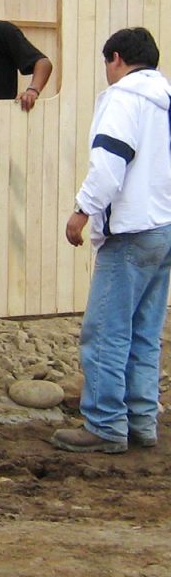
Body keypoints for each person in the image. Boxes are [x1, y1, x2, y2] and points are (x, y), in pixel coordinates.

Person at [53, 28, 171, 454]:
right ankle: (141, 421)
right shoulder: (165, 99)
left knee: (105, 331)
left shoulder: (124, 98)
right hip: (164, 226)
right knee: (145, 331)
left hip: (131, 230)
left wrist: (82, 210)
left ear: (115, 58)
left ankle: (104, 424)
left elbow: (109, 161)